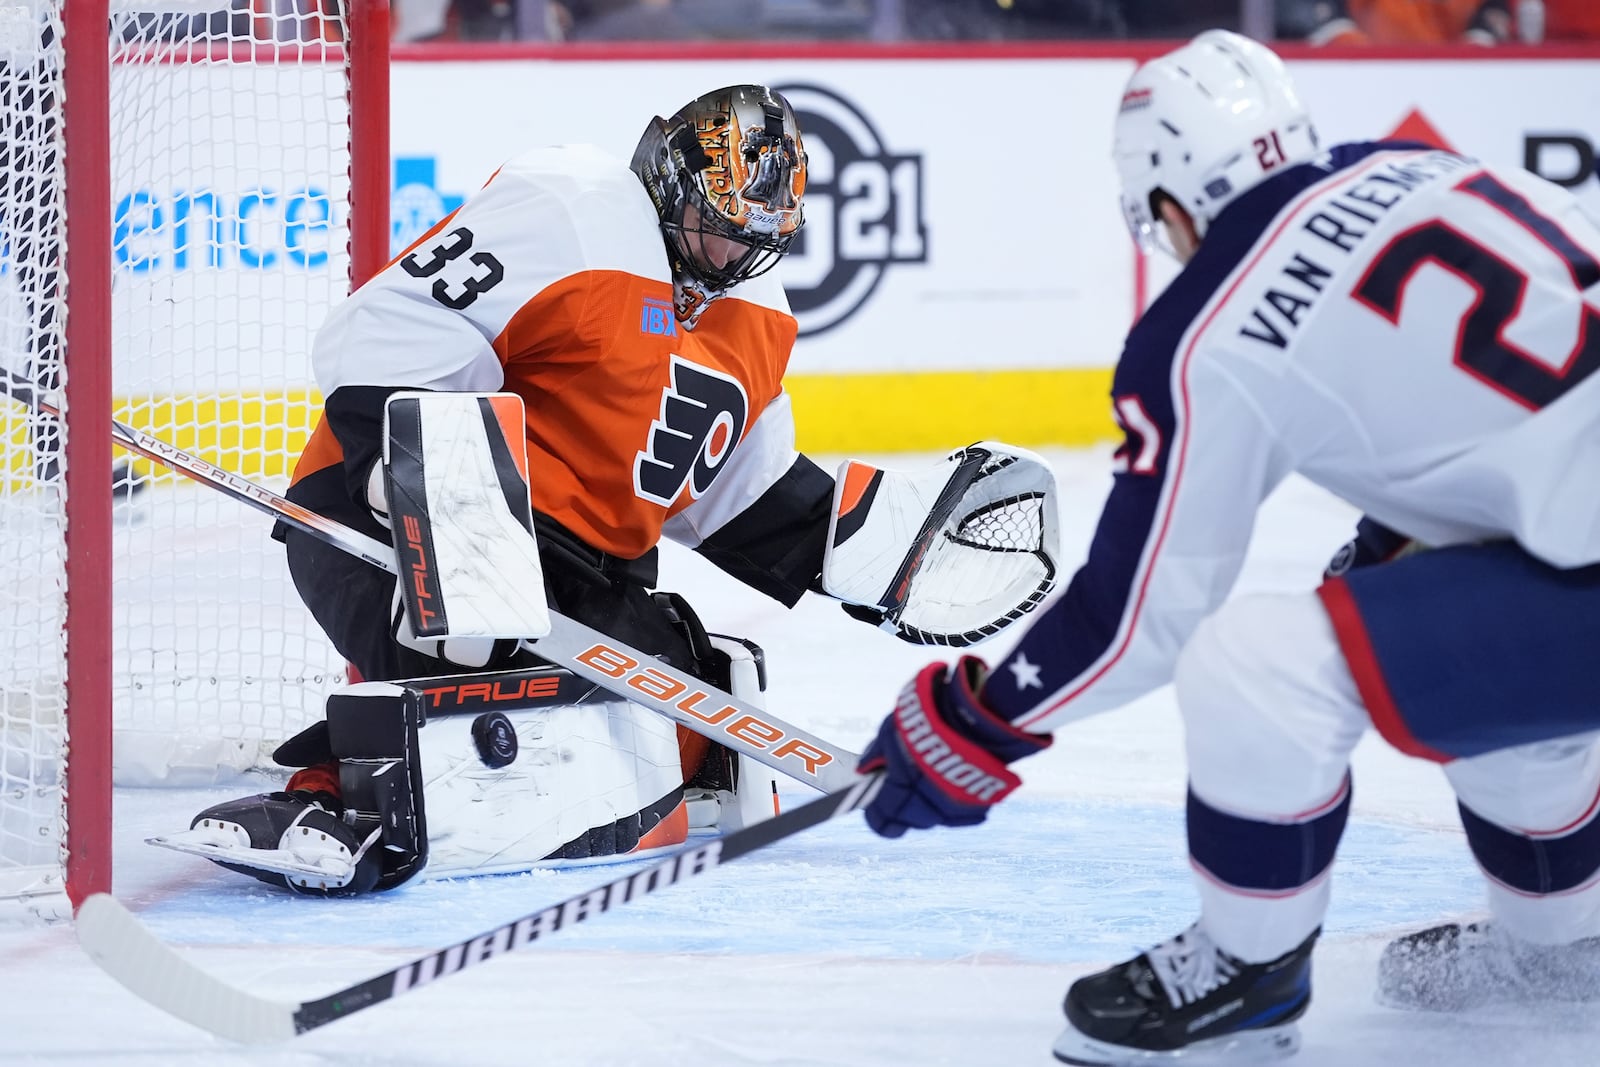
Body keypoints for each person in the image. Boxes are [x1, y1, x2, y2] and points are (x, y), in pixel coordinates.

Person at [854, 29, 1600, 1066]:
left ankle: (1247, 977)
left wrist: (982, 715)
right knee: (1475, 644)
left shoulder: (1209, 319)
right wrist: (1406, 535)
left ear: (1166, 203)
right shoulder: (1429, 168)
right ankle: (1562, 952)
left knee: (1253, 662)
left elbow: (1142, 615)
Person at [168, 83, 1057, 895]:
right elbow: (379, 333)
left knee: (677, 693)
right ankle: (329, 792)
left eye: (756, 242)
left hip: (574, 582)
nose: (732, 260)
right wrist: (450, 508)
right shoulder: (573, 212)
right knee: (479, 657)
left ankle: (462, 746)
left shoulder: (755, 316)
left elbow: (736, 490)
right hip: (381, 527)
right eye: (719, 230)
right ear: (672, 185)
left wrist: (878, 553)